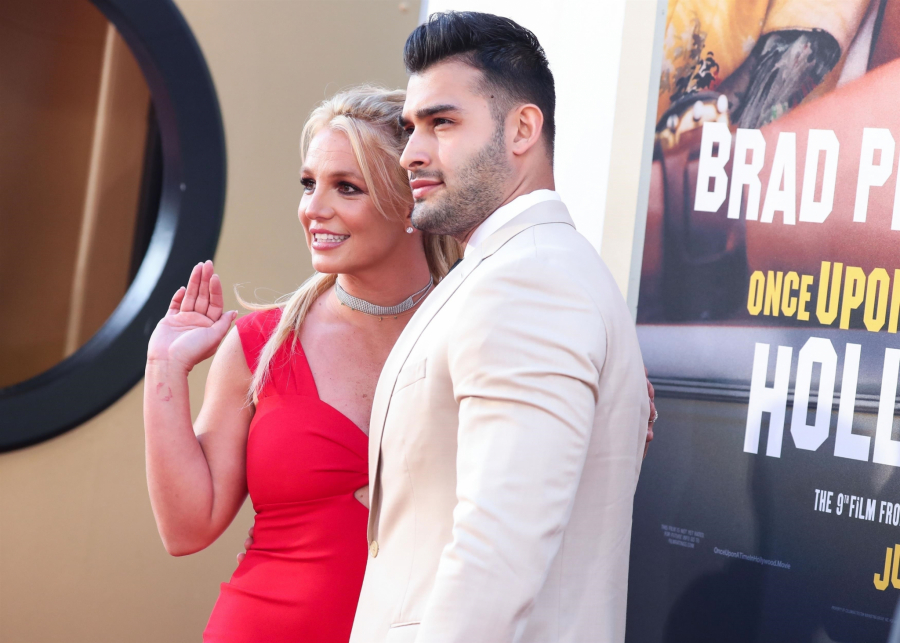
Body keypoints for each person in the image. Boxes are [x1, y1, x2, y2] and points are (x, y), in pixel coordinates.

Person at [349, 12, 650, 643]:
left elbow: (497, 555)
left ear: (522, 129)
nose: (411, 154)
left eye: (442, 122)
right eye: (411, 128)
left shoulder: (530, 281)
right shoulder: (510, 270)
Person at [143, 86, 460, 643]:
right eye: (309, 183)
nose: (313, 209)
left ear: (410, 200)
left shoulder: (470, 333)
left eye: (347, 187)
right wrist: (164, 367)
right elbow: (187, 529)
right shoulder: (262, 346)